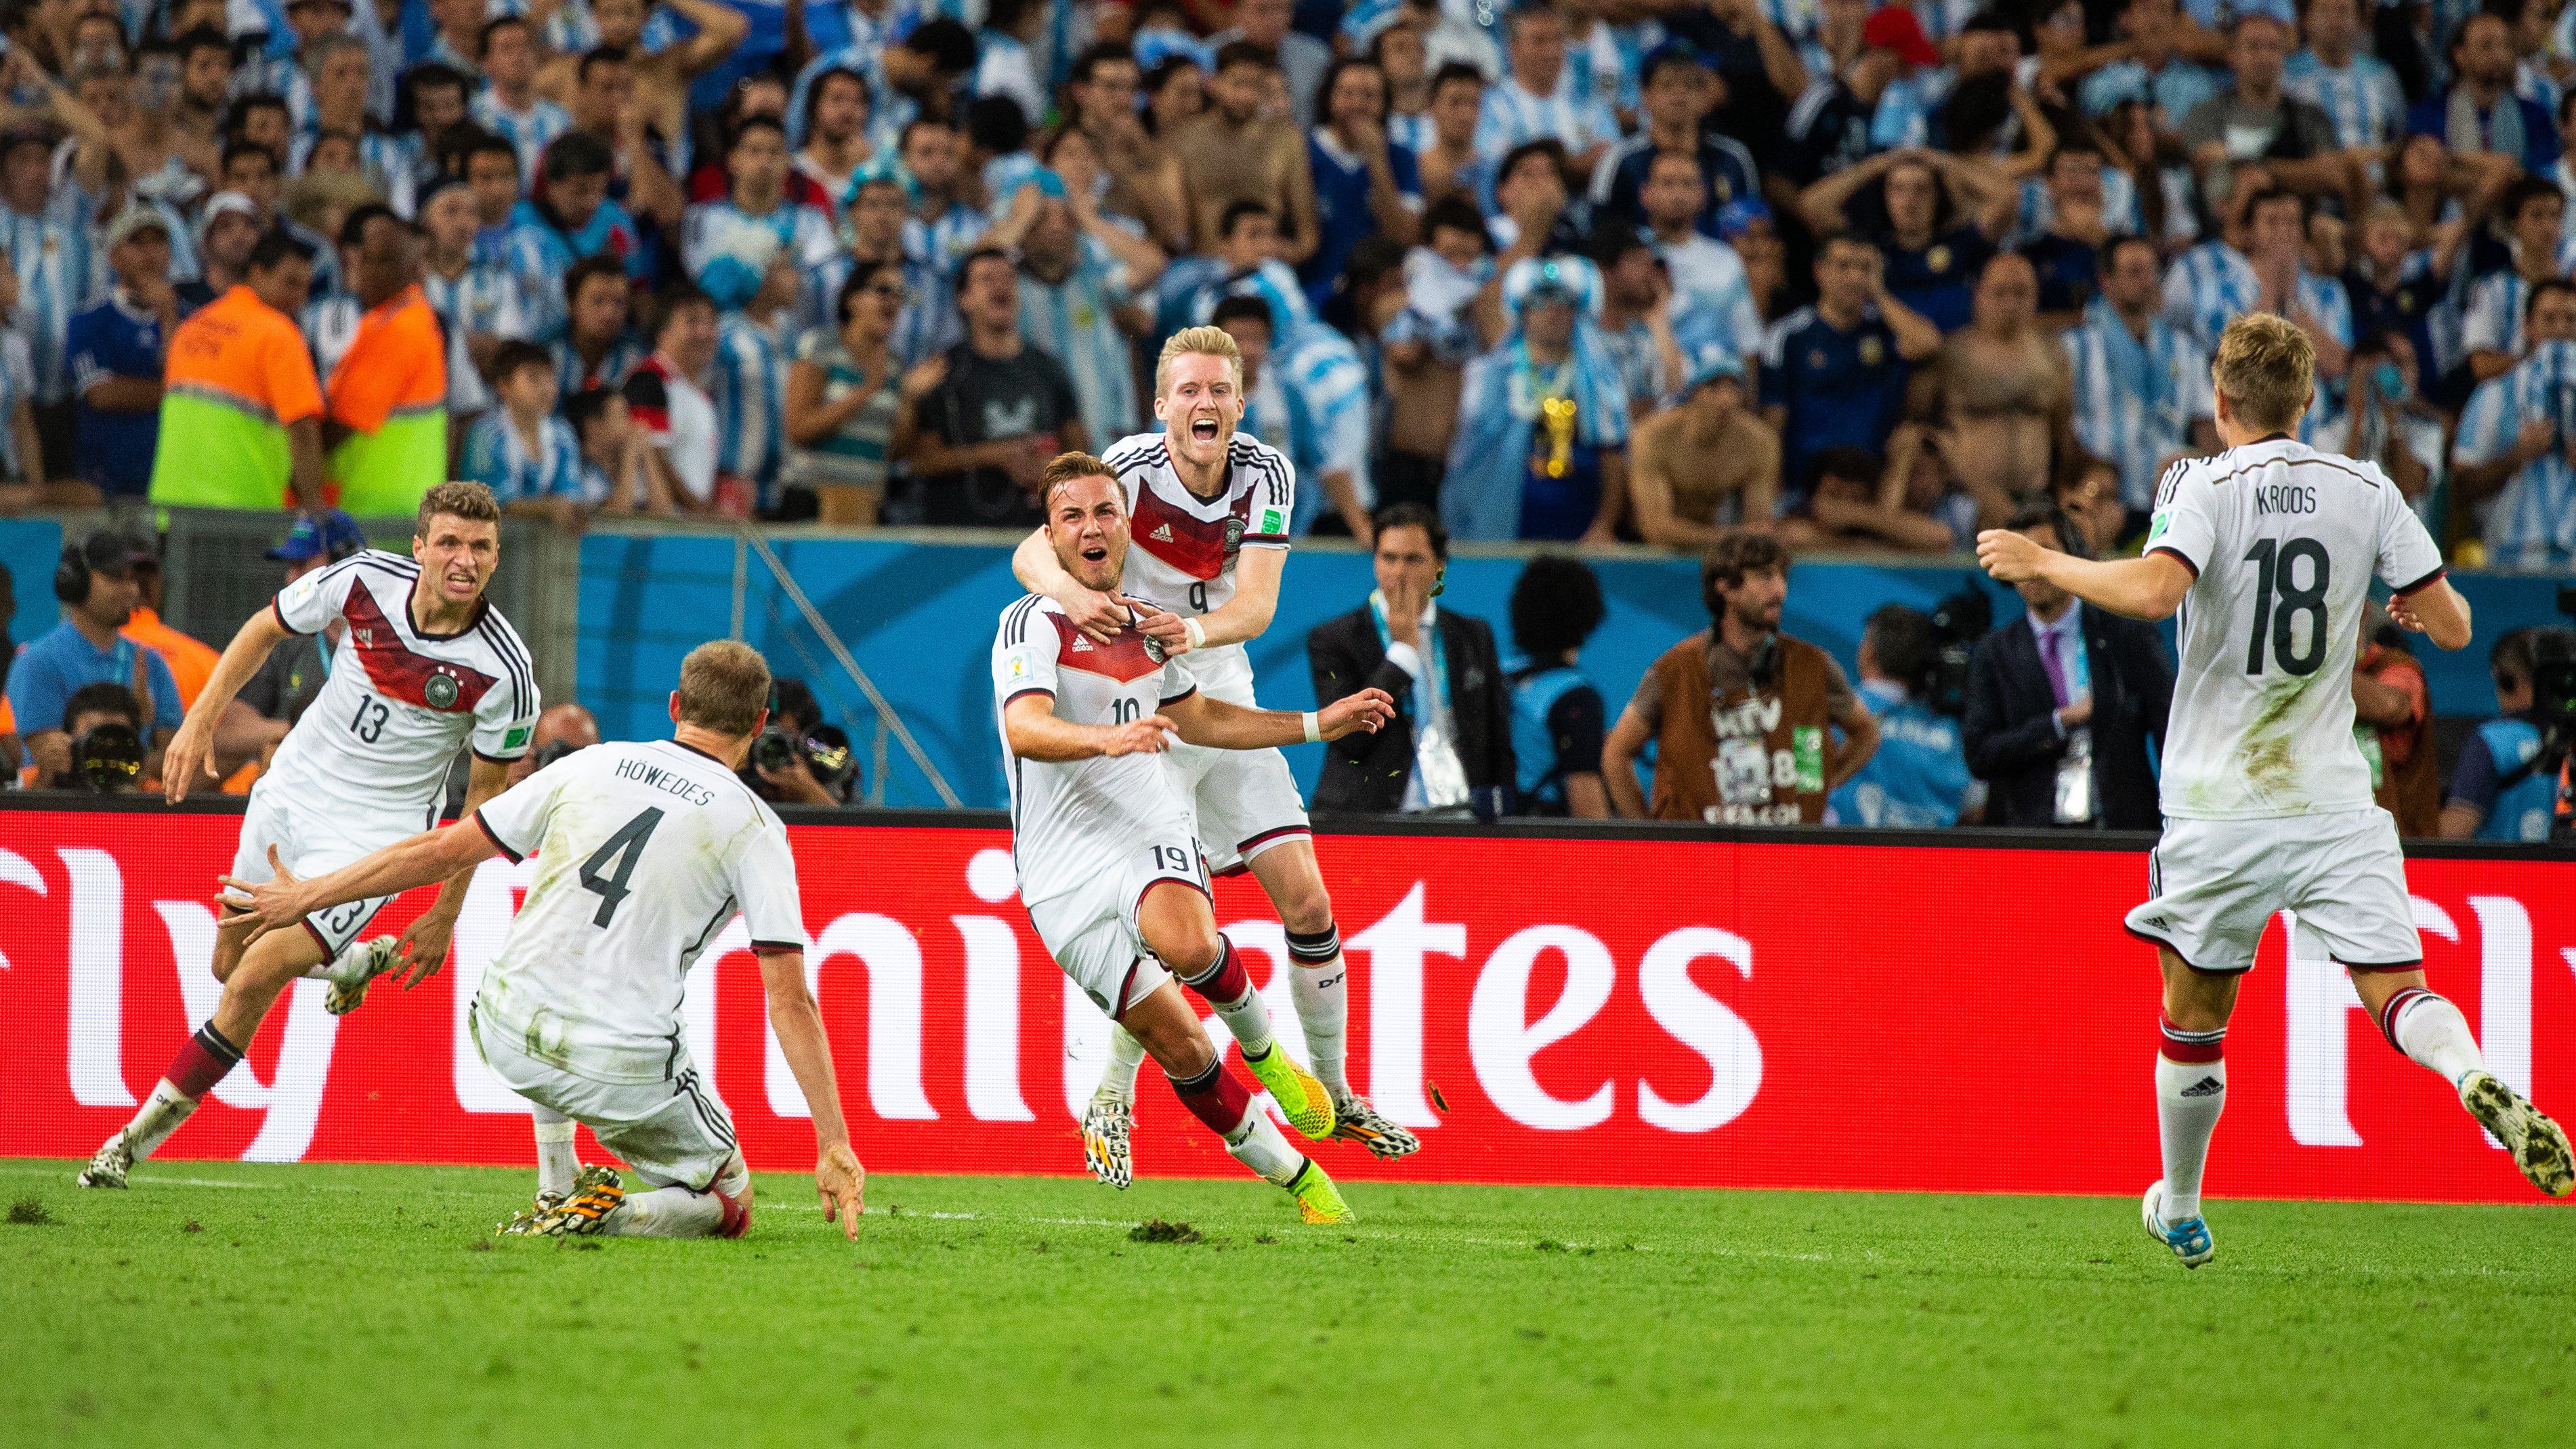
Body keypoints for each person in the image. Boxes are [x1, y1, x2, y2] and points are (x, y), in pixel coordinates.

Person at [1974, 312, 2572, 1273]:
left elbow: (2153, 591)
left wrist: (2043, 560)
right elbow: (2454, 627)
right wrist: (2400, 606)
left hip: (2219, 800)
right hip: (2332, 798)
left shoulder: (2196, 482)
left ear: (2218, 404)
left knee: (2193, 1015)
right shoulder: (2367, 488)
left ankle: (2179, 1203)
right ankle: (2466, 1071)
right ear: (2305, 402)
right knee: (2394, 984)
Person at [219, 639, 863, 1241]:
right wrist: (832, 1140)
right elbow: (789, 999)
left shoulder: (592, 762)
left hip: (500, 1028)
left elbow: (442, 849)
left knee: (547, 965)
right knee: (730, 1204)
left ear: (674, 706)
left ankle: (557, 1183)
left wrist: (308, 893)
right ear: (759, 723)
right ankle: (607, 1214)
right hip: (619, 1064)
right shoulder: (754, 826)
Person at [1010, 326, 1426, 1181]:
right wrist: (1077, 600)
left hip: (1215, 682)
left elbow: (1258, 605)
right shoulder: (1123, 467)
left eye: (1218, 391)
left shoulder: (1267, 474)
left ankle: (1337, 1096)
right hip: (1138, 697)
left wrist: (1188, 633)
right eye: (1187, 391)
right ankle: (1110, 1100)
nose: (1204, 404)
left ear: (1240, 403)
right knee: (1160, 927)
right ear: (1160, 405)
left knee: (1307, 901)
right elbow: (1030, 551)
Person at [77, 484, 540, 1192]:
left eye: (479, 548)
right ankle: (350, 966)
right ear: (419, 548)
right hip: (288, 794)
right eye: (448, 542)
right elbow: (266, 628)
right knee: (228, 965)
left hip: (373, 839)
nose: (463, 560)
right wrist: (202, 718)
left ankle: (126, 1145)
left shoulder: (503, 670)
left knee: (259, 975)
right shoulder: (362, 581)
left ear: (496, 557)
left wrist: (444, 913)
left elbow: (484, 802)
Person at [1601, 529, 1881, 824]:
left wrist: (1816, 787)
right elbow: (1617, 752)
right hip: (1700, 857)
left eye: (1783, 577)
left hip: (1786, 854)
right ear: (1725, 587)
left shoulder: (1813, 666)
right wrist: (1650, 837)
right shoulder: (1675, 670)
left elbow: (1866, 731)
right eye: (1764, 576)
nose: (1780, 591)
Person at [1962, 501, 2174, 831]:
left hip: (2121, 832)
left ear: (2069, 557)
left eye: (2043, 551)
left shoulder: (2125, 632)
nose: (2030, 567)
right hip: (2034, 839)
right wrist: (2058, 723)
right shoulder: (1994, 652)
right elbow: (1980, 754)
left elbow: (2169, 728)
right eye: (2021, 555)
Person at [1307, 503, 1513, 816]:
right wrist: (1401, 654)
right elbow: (1349, 739)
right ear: (1375, 562)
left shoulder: (1472, 635)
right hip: (1371, 818)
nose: (1400, 572)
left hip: (1461, 815)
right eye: (1389, 558)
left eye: (1414, 559)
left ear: (1439, 566)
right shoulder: (1335, 639)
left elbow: (1496, 738)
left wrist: (1503, 816)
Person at [1442, 255, 1630, 543]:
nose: (1552, 312)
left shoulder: (1600, 380)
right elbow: (1465, 456)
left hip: (1576, 524)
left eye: (1563, 303)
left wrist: (1604, 525)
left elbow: (1613, 457)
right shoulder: (1488, 375)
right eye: (1540, 303)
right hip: (1497, 525)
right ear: (1523, 313)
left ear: (1577, 312)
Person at [905, 247, 1088, 527]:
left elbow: (1080, 450)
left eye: (1008, 278)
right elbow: (920, 460)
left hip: (1039, 534)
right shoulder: (943, 372)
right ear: (964, 299)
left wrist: (1055, 466)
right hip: (960, 535)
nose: (1001, 286)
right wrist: (994, 455)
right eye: (987, 279)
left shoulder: (1049, 368)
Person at [148, 228, 326, 510]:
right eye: (291, 283)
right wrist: (317, 511)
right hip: (239, 513)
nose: (300, 297)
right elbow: (302, 431)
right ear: (257, 273)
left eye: (306, 286)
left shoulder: (194, 325)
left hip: (170, 505)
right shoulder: (278, 333)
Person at [1760, 234, 1941, 500]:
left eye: (1865, 268)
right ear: (1819, 271)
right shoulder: (1788, 335)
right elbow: (1774, 424)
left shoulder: (1884, 328)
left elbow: (1929, 344)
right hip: (1805, 489)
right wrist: (1774, 496)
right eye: (1844, 266)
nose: (1855, 278)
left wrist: (1879, 293)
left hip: (1872, 487)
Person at [5, 534, 182, 789]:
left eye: (133, 579)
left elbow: (174, 763)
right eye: (116, 577)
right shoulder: (37, 662)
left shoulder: (151, 662)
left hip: (134, 812)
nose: (132, 590)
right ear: (75, 582)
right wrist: (138, 725)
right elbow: (52, 766)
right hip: (63, 815)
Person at [2064, 234, 2218, 523]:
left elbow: (2207, 428)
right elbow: (2060, 428)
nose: (2147, 281)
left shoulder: (2186, 350)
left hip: (2170, 490)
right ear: (2106, 281)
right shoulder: (2077, 348)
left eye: (2151, 271)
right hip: (2100, 489)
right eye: (2134, 271)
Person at [784, 261, 939, 526]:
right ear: (852, 299)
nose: (893, 299)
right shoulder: (819, 345)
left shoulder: (895, 366)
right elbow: (797, 429)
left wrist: (909, 397)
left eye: (899, 293)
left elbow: (895, 451)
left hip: (865, 508)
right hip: (811, 504)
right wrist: (866, 391)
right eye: (883, 289)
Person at [324, 207, 449, 517]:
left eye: (385, 261)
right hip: (395, 509)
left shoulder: (399, 327)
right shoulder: (402, 317)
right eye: (367, 259)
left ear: (412, 268)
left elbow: (339, 429)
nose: (370, 271)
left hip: (379, 513)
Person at [1938, 252, 2072, 508]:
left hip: (2035, 498)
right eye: (1999, 293)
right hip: (1967, 500)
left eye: (2021, 293)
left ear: (2035, 298)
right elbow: (1930, 432)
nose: (2010, 304)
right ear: (1978, 296)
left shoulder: (2053, 354)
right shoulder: (1953, 352)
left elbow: (2061, 432)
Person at [1828, 604, 1976, 828]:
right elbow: (1975, 808)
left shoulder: (1834, 716)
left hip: (1845, 857)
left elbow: (1804, 788)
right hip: (1933, 861)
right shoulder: (1951, 727)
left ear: (1868, 652)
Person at [66, 207, 178, 501]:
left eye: (157, 242)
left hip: (170, 480)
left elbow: (193, 386)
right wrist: (172, 392)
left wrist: (167, 319)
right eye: (137, 242)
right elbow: (102, 394)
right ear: (114, 257)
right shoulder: (90, 319)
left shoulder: (188, 320)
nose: (149, 252)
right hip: (106, 480)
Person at [1628, 352, 1779, 549]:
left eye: (1735, 387)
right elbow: (1656, 530)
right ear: (1693, 393)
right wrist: (1735, 537)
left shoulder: (1759, 442)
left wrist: (1737, 537)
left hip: (1715, 539)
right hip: (1644, 545)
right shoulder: (1654, 437)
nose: (1726, 399)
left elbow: (1759, 530)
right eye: (1714, 387)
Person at [1504, 553, 1610, 818]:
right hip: (1545, 840)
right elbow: (1588, 811)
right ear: (1589, 614)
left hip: (1489, 833)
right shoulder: (1575, 697)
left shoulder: (1499, 675)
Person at [465, 341, 596, 530]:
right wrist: (550, 507)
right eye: (533, 378)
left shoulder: (563, 434)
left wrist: (564, 507)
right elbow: (488, 501)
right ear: (504, 386)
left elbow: (571, 493)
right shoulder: (486, 433)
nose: (546, 388)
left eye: (550, 377)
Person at [2439, 629, 2556, 841]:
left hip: (2502, 873)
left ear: (2508, 681)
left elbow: (2456, 830)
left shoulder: (2491, 740)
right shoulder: (2567, 736)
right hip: (2565, 872)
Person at [623, 282, 727, 513]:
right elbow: (650, 457)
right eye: (692, 322)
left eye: (710, 323)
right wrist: (699, 508)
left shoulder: (700, 396)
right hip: (653, 527)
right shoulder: (648, 381)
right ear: (663, 333)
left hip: (685, 529)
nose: (704, 332)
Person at [2351, 608, 2438, 837]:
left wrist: (2313, 667)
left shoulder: (2398, 666)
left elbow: (2393, 707)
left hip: (2405, 853)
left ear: (2362, 614)